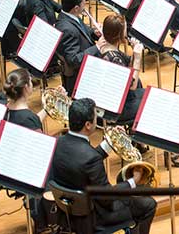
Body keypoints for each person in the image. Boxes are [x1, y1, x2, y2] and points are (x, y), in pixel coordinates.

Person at [50, 98, 156, 234]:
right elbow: (107, 198)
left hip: (68, 211)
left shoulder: (58, 142)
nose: (97, 120)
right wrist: (133, 180)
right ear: (88, 125)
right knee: (148, 205)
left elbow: (81, 162)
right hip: (95, 218)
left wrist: (109, 143)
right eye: (95, 117)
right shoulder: (91, 158)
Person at [95, 15, 146, 125]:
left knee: (143, 89)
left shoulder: (103, 47)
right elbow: (132, 86)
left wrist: (133, 54)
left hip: (111, 97)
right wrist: (137, 58)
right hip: (116, 108)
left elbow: (127, 70)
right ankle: (138, 134)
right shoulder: (114, 58)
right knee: (149, 100)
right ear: (120, 35)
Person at [55, 0, 100, 93]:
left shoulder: (69, 16)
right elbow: (74, 60)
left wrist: (94, 32)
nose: (85, 6)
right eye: (84, 3)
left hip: (87, 62)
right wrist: (97, 47)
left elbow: (83, 30)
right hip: (81, 75)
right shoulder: (67, 29)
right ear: (76, 8)